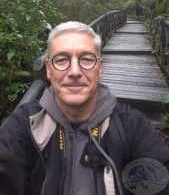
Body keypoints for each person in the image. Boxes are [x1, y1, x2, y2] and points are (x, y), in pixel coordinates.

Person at [0, 21, 169, 195]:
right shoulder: (24, 125)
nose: (74, 71)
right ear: (49, 70)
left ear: (100, 68)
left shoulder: (132, 126)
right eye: (62, 60)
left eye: (87, 59)